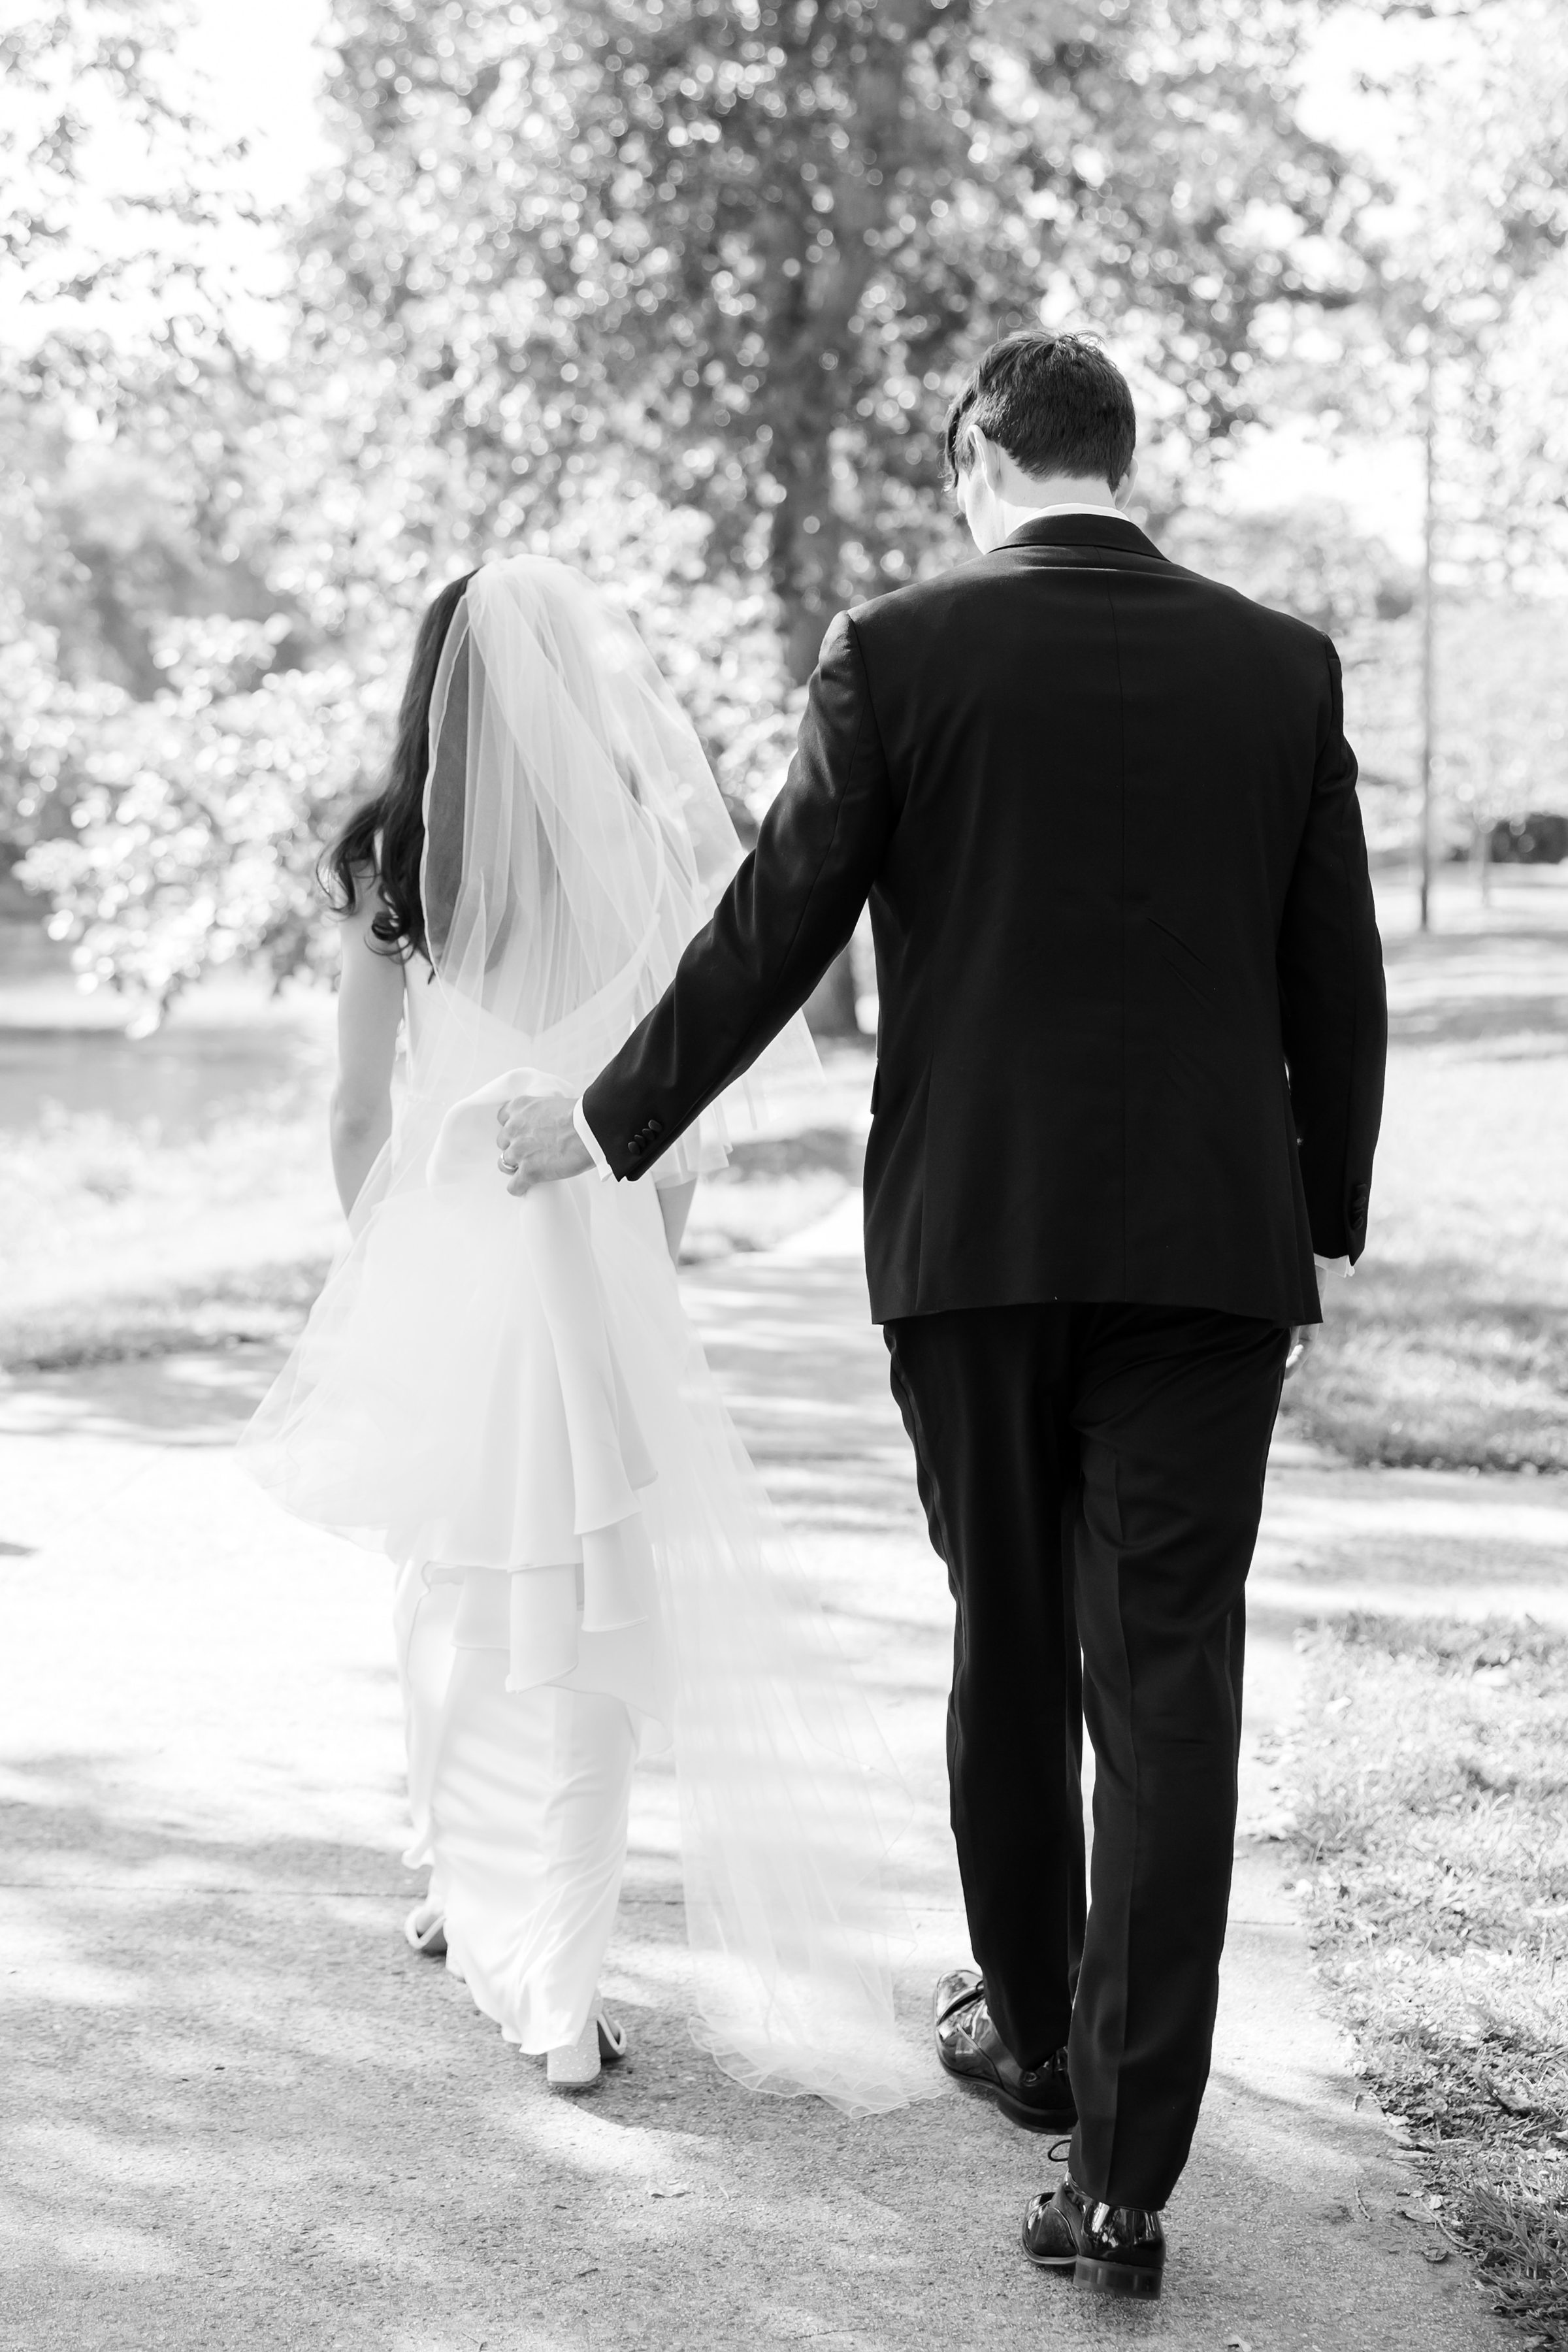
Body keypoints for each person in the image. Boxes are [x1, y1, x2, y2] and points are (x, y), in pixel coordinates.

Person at [495, 333, 1388, 2293]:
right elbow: (1337, 969)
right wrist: (1322, 1210)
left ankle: (1038, 2033)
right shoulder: (1282, 664)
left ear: (980, 456)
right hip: (1209, 1256)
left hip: (974, 1242)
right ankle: (1123, 2181)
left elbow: (775, 926)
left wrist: (610, 1121)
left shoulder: (894, 651)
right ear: (1120, 461)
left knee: (1010, 1632)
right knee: (1170, 1686)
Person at [241, 554, 923, 2115]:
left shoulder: (391, 857)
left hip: (448, 1263)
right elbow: (682, 1118)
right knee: (593, 1613)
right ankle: (558, 1991)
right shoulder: (644, 847)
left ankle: (454, 1876)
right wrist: (641, 1281)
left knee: (448, 1583)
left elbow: (356, 1109)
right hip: (596, 1260)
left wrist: (386, 1266)